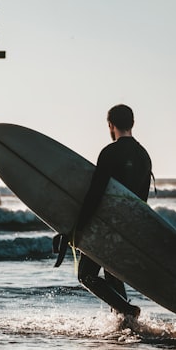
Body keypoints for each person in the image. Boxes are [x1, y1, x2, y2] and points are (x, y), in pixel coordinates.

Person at [58, 104, 152, 319]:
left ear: (110, 125)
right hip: (130, 227)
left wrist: (78, 228)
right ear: (132, 123)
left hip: (106, 225)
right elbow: (142, 202)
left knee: (86, 275)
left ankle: (128, 311)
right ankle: (124, 322)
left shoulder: (110, 152)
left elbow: (95, 193)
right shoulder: (144, 156)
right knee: (113, 274)